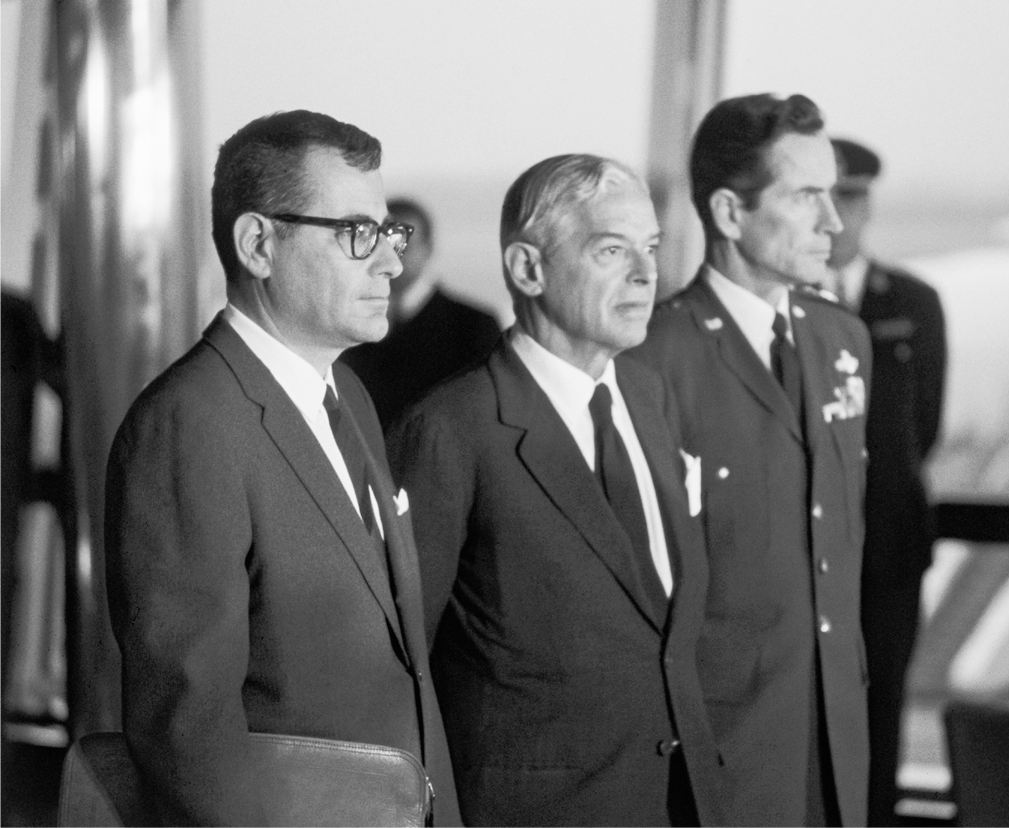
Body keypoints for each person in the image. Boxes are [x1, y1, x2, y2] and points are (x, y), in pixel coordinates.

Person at [104, 110, 460, 826]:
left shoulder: (347, 394)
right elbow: (188, 734)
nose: (391, 261)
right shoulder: (189, 424)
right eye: (358, 233)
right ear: (259, 243)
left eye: (389, 233)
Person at [387, 154, 721, 826]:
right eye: (611, 249)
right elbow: (395, 664)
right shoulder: (451, 429)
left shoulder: (649, 400)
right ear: (527, 269)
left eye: (651, 249)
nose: (646, 274)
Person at [629, 93, 871, 826]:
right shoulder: (652, 359)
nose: (833, 222)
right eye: (806, 197)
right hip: (722, 750)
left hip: (834, 741)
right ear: (731, 214)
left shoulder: (842, 342)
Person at [829, 138, 947, 826]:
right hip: (794, 551)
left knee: (879, 716)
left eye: (853, 196)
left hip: (887, 550)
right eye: (829, 196)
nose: (841, 213)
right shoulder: (782, 303)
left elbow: (919, 427)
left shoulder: (911, 301)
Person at [340, 197, 501, 428]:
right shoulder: (353, 322)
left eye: (403, 242)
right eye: (379, 243)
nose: (390, 255)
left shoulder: (473, 326)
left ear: (429, 248)